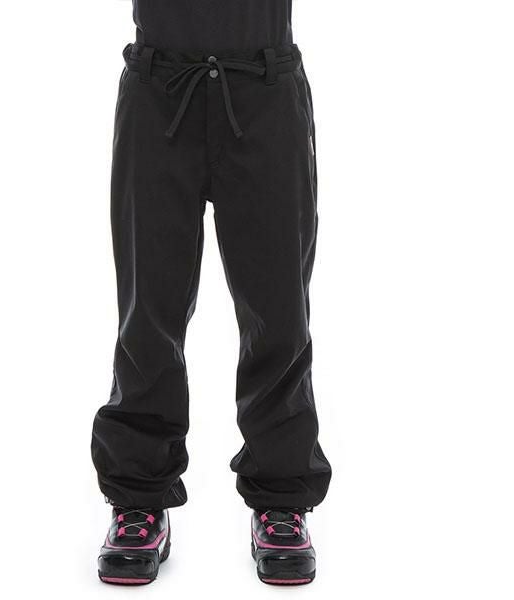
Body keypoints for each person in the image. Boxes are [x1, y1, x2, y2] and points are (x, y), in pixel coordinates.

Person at [91, 0, 332, 585]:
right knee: (148, 309)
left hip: (264, 84)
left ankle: (281, 499)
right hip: (159, 86)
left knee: (278, 308)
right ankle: (138, 499)